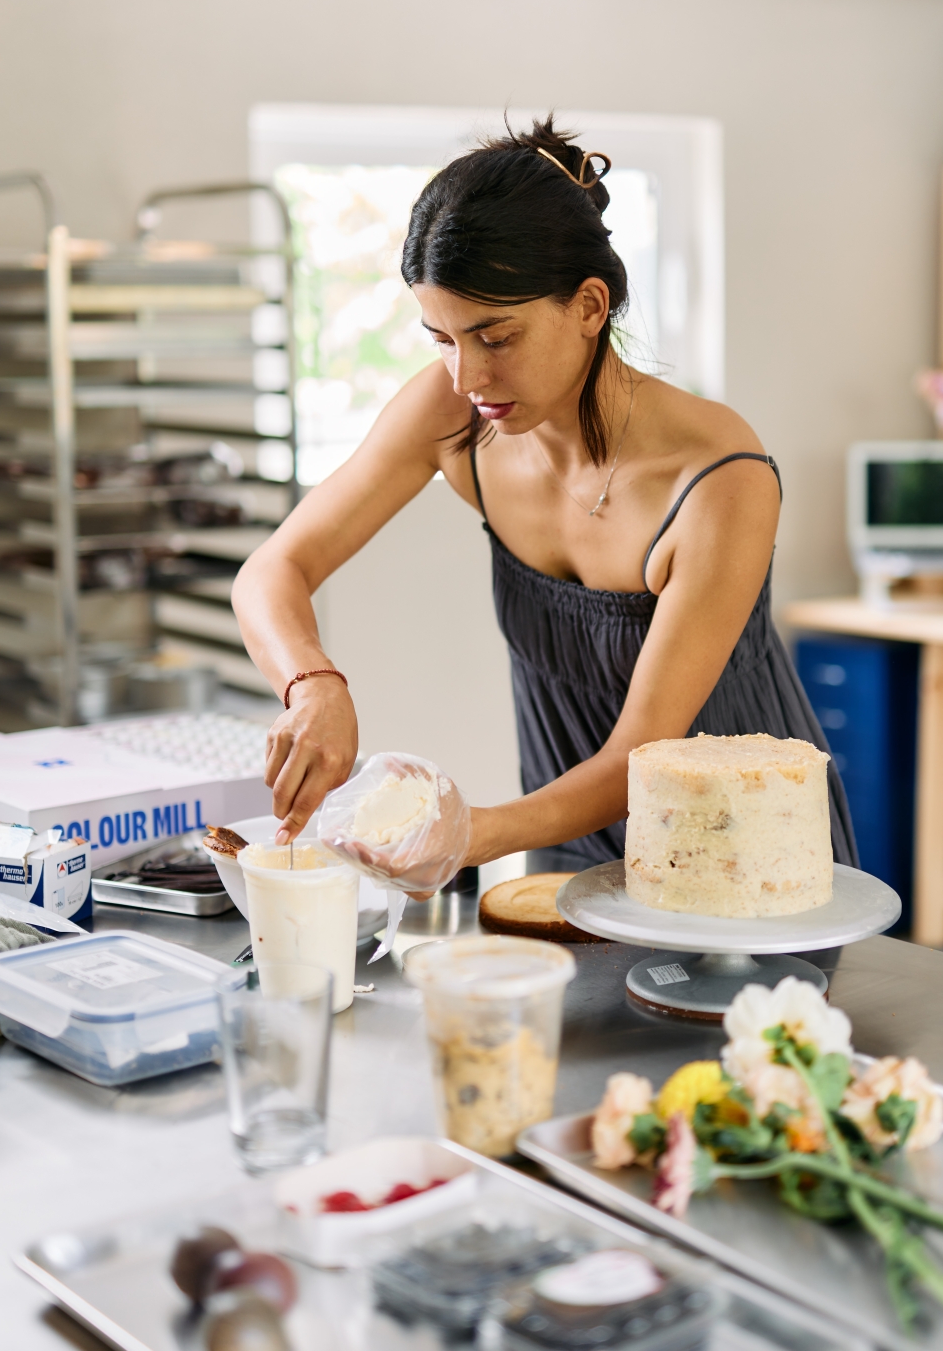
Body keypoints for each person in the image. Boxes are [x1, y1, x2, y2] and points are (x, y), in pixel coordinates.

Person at [233, 117, 858, 878]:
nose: (465, 377)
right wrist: (313, 684)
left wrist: (468, 833)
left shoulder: (720, 480)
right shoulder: (453, 414)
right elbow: (273, 569)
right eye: (441, 338)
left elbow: (640, 755)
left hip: (745, 865)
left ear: (590, 307)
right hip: (569, 860)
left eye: (495, 338)